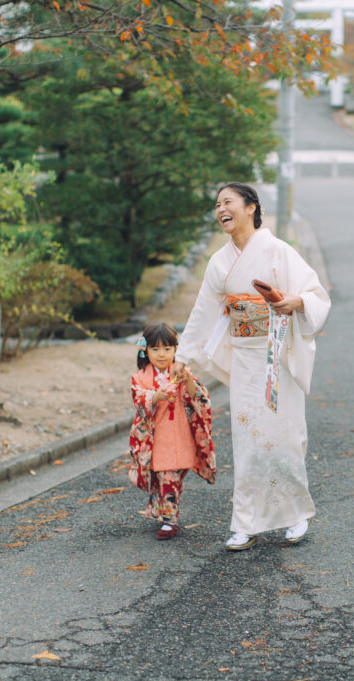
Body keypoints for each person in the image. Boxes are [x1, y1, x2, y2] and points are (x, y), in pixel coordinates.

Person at [172, 182, 330, 550]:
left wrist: (293, 302)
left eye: (227, 202)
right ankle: (246, 521)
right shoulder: (219, 262)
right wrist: (183, 356)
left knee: (287, 437)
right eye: (216, 205)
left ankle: (295, 514)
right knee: (247, 442)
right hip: (245, 357)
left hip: (278, 354)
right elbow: (202, 312)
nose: (220, 209)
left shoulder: (278, 251)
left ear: (251, 207)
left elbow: (315, 295)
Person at [127, 323, 216, 540]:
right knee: (164, 477)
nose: (161, 354)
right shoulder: (140, 377)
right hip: (156, 438)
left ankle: (168, 515)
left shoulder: (180, 372)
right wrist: (155, 396)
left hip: (180, 434)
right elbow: (139, 399)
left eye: (167, 349)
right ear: (145, 350)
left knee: (171, 476)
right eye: (155, 349)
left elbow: (200, 398)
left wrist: (187, 380)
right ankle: (168, 517)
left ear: (176, 350)